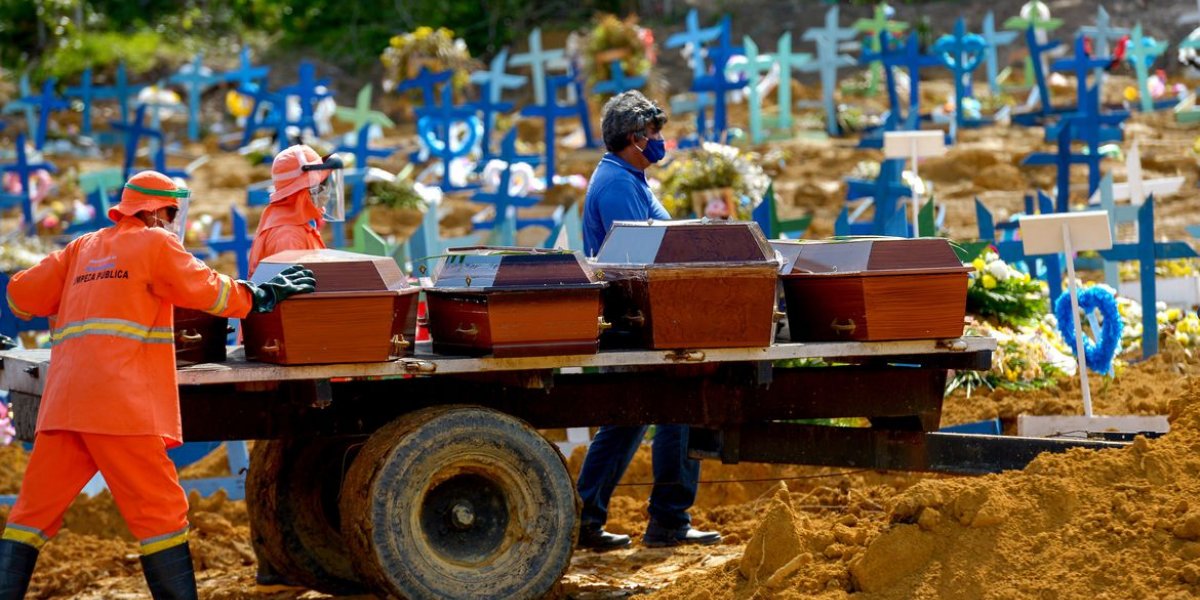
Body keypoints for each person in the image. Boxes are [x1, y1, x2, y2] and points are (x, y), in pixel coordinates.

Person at [0, 170, 316, 599]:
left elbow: (20, 297)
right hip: (121, 407)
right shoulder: (155, 242)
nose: (172, 222)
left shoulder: (81, 248)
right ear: (151, 211)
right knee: (161, 515)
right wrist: (260, 296)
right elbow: (208, 290)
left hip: (66, 405)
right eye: (170, 212)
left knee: (30, 515)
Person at [576, 90, 722, 550]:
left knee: (627, 422)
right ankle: (669, 522)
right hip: (639, 319)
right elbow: (642, 258)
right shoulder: (619, 184)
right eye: (655, 132)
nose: (661, 139)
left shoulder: (629, 177)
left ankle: (584, 519)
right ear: (634, 138)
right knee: (676, 409)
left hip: (639, 316)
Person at [246, 143, 344, 591]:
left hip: (293, 351)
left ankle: (275, 561)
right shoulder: (287, 234)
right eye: (319, 187)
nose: (324, 196)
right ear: (302, 187)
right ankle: (275, 561)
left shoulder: (293, 225)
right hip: (294, 355)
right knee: (287, 461)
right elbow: (300, 307)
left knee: (284, 459)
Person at [248, 144, 345, 275]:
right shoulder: (288, 236)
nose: (328, 192)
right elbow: (292, 292)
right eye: (321, 184)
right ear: (301, 192)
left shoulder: (297, 224)